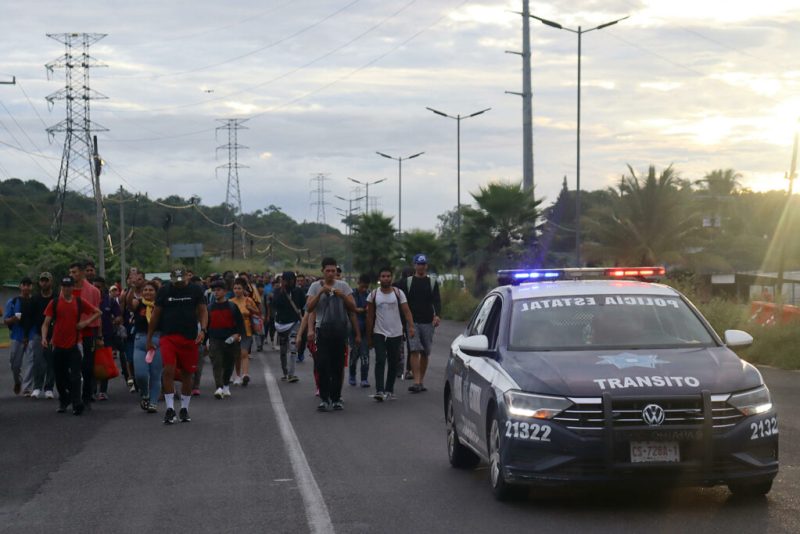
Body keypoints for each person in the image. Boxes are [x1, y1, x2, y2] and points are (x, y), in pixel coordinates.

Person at [147, 267, 208, 424]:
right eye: (177, 281)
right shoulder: (164, 290)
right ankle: (169, 408)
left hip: (189, 338)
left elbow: (202, 311)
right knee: (169, 369)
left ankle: (184, 409)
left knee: (188, 373)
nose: (179, 284)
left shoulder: (196, 290)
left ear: (187, 278)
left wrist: (203, 330)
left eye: (182, 281)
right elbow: (156, 315)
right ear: (171, 278)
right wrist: (149, 338)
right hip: (168, 336)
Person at [306, 258, 360, 412]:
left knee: (337, 366)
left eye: (333, 271)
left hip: (340, 331)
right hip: (322, 331)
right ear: (322, 271)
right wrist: (320, 293)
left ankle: (336, 398)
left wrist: (342, 296)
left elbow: (353, 308)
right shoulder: (315, 286)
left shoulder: (343, 286)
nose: (331, 274)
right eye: (328, 271)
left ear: (337, 272)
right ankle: (324, 398)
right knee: (322, 364)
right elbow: (309, 308)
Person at [42, 277, 101, 415]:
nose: (67, 289)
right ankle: (64, 399)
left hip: (74, 344)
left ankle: (77, 403)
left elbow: (98, 312)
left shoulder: (79, 302)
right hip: (57, 345)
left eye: (69, 286)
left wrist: (85, 323)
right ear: (61, 287)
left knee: (75, 376)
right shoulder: (55, 303)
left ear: (73, 288)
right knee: (60, 377)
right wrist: (44, 337)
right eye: (64, 286)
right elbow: (46, 323)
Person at [367, 267, 415, 401]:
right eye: (383, 276)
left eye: (388, 276)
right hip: (379, 332)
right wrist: (369, 335)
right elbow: (370, 316)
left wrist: (411, 326)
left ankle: (389, 389)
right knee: (380, 360)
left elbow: (406, 311)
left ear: (392, 278)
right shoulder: (373, 295)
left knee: (393, 362)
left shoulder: (398, 293)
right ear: (379, 278)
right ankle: (379, 390)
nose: (386, 278)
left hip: (396, 333)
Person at [405, 254, 441, 393]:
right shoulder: (408, 282)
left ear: (426, 266)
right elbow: (403, 301)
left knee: (425, 352)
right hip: (412, 321)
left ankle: (421, 380)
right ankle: (416, 381)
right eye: (418, 264)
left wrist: (437, 315)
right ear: (414, 265)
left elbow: (437, 300)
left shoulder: (432, 282)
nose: (421, 266)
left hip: (427, 321)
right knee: (414, 350)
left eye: (423, 264)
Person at [68, 261, 102, 408]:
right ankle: (72, 396)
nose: (72, 275)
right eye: (70, 273)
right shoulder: (66, 290)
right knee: (70, 365)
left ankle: (87, 396)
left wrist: (99, 336)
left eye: (74, 272)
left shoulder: (94, 291)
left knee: (87, 366)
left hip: (88, 331)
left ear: (82, 273)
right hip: (70, 332)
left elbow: (97, 314)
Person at [207, 279, 246, 399]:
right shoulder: (209, 307)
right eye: (214, 290)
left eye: (218, 290)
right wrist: (206, 341)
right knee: (216, 363)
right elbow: (206, 324)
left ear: (225, 292)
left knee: (229, 364)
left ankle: (225, 386)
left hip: (230, 340)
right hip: (214, 339)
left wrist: (237, 335)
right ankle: (218, 387)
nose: (216, 293)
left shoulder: (232, 306)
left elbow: (240, 324)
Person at [130, 281, 162, 413]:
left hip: (157, 340)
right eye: (145, 290)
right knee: (140, 374)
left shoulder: (161, 306)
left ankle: (153, 402)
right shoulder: (138, 304)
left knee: (155, 374)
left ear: (156, 292)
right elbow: (126, 301)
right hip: (140, 340)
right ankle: (145, 394)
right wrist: (132, 287)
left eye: (151, 290)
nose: (148, 292)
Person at [272, 271, 306, 383]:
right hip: (281, 324)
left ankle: (291, 374)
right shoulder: (277, 291)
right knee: (283, 350)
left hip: (294, 323)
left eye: (291, 279)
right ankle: (285, 373)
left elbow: (303, 306)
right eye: (286, 280)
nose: (289, 282)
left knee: (292, 348)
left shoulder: (299, 291)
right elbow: (275, 304)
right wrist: (282, 292)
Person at [4, 277, 36, 395]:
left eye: (29, 285)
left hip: (32, 334)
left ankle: (27, 388)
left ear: (32, 287)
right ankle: (18, 381)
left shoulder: (35, 301)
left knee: (31, 361)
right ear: (20, 286)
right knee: (15, 364)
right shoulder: (12, 302)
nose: (26, 287)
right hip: (17, 335)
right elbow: (5, 320)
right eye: (24, 285)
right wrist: (14, 319)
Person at [29, 272, 56, 399]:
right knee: (37, 360)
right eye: (42, 281)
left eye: (46, 280)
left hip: (54, 334)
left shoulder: (56, 298)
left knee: (51, 361)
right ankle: (37, 387)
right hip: (38, 333)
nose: (44, 283)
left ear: (51, 282)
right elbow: (30, 316)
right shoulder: (35, 298)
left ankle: (49, 387)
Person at [230, 278, 259, 386]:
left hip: (246, 329)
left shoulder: (248, 300)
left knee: (244, 352)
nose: (237, 290)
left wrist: (251, 308)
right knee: (236, 354)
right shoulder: (230, 302)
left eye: (239, 288)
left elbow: (257, 312)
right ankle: (236, 375)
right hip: (234, 331)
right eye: (235, 288)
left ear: (243, 289)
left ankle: (245, 374)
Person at [348, 274, 371, 388]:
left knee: (365, 355)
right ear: (358, 283)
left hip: (366, 330)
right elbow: (352, 309)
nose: (364, 289)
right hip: (353, 330)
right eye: (362, 286)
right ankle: (352, 375)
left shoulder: (369, 295)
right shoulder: (352, 294)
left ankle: (364, 378)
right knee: (355, 354)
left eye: (366, 287)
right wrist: (361, 309)